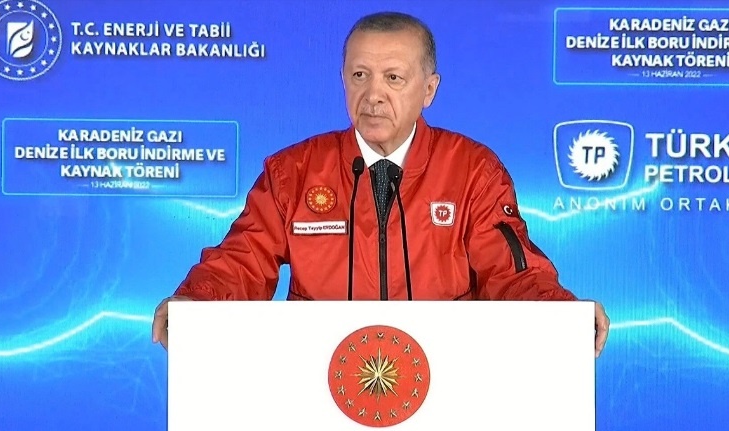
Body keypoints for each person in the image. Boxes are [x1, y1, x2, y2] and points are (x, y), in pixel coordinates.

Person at [152, 11, 610, 356]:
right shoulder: (293, 171)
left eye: (393, 78)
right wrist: (195, 301)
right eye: (360, 76)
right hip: (316, 382)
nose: (373, 95)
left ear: (428, 89)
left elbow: (512, 273)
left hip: (448, 381)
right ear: (343, 81)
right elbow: (242, 261)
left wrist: (561, 314)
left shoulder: (473, 170)